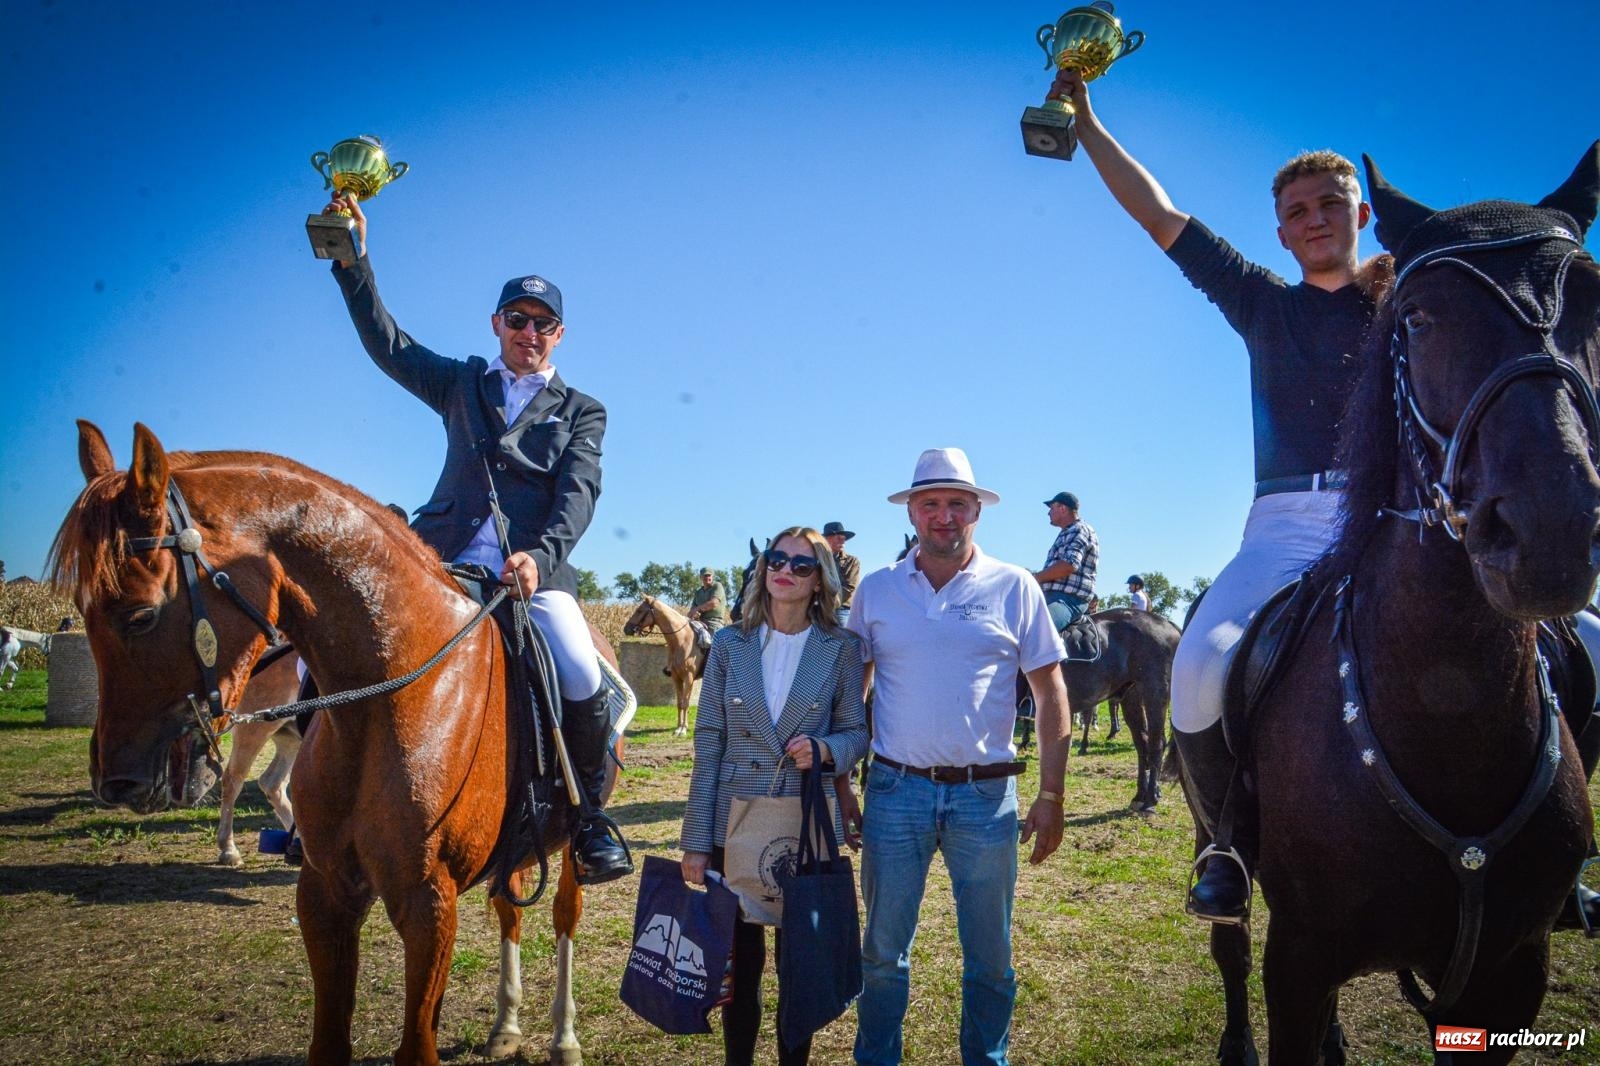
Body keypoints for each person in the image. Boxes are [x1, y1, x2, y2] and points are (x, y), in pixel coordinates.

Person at [1048, 68, 1387, 922]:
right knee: (1197, 662)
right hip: (1284, 525)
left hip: (1396, 516)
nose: (1315, 220)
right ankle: (1225, 843)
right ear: (1279, 233)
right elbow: (1158, 214)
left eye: (1331, 206)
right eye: (1299, 212)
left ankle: (1555, 854)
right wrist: (1083, 117)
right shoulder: (1261, 302)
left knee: (1565, 644)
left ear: (1364, 216)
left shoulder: (1408, 298)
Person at [318, 192, 631, 885]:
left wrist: (539, 559)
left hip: (531, 577)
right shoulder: (461, 383)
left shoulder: (583, 411)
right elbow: (388, 344)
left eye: (544, 324)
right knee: (336, 640)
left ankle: (587, 818)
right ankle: (318, 805)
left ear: (560, 334)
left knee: (579, 669)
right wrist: (352, 261)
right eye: (518, 320)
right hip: (442, 562)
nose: (530, 332)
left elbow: (579, 497)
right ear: (497, 324)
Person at [844, 447, 1071, 1066]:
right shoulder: (878, 590)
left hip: (985, 797)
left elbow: (1051, 692)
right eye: (931, 503)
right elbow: (851, 693)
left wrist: (1051, 796)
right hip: (896, 792)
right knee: (883, 955)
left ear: (977, 510)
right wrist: (842, 788)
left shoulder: (1015, 585)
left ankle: (985, 1059)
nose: (944, 516)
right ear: (913, 511)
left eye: (956, 504)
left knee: (991, 958)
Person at [681, 525, 869, 1066]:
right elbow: (709, 744)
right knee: (739, 968)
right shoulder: (730, 645)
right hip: (731, 823)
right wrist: (696, 841)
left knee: (799, 967)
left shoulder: (841, 648)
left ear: (819, 582)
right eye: (776, 559)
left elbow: (856, 732)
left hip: (805, 822)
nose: (785, 570)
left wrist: (826, 748)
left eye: (801, 565)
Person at [1032, 491, 1099, 630]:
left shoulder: (1079, 529)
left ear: (1062, 509)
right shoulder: (1067, 532)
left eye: (1052, 508)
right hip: (1054, 597)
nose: (1048, 513)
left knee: (1038, 629)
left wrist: (1035, 578)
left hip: (1068, 599)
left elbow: (1069, 565)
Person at [822, 521, 862, 626]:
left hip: (841, 610)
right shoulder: (818, 560)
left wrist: (826, 602)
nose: (843, 540)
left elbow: (849, 588)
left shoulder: (852, 561)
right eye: (838, 537)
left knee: (844, 640)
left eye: (843, 538)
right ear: (827, 539)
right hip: (819, 610)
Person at [687, 566, 729, 647]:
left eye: (709, 575)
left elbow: (713, 603)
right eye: (705, 575)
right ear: (700, 577)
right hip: (699, 623)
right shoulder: (698, 592)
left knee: (713, 645)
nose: (707, 577)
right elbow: (691, 612)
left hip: (714, 623)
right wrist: (694, 615)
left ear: (712, 576)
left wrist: (698, 609)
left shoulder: (717, 586)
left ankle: (713, 658)